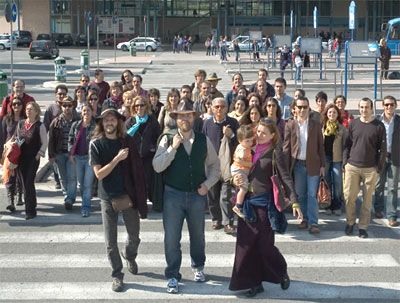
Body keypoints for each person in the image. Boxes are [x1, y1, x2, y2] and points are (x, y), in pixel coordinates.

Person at [152, 100, 220, 294]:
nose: (185, 119)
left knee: (198, 235)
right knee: (172, 238)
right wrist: (173, 148)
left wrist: (207, 185)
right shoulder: (167, 138)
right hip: (173, 195)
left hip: (196, 195)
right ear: (176, 118)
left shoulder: (203, 139)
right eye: (181, 115)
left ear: (194, 117)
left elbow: (216, 166)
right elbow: (157, 166)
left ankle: (198, 266)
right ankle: (173, 274)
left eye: (188, 115)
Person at [229, 118, 302, 297]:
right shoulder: (247, 148)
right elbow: (238, 170)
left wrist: (294, 201)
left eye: (263, 132)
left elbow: (285, 177)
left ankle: (280, 271)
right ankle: (253, 283)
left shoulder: (275, 153)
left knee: (264, 246)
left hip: (264, 205)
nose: (259, 135)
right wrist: (234, 180)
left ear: (272, 135)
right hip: (247, 203)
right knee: (246, 247)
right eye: (258, 131)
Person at [89, 108, 147, 292]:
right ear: (101, 123)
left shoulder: (126, 141)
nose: (109, 123)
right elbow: (99, 174)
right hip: (107, 198)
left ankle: (129, 255)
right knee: (110, 242)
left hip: (127, 195)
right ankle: (117, 275)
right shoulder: (95, 144)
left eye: (112, 119)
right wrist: (116, 159)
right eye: (106, 120)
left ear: (118, 122)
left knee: (134, 236)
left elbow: (137, 170)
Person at [343, 97, 386, 238]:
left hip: (370, 169)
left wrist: (378, 168)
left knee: (367, 201)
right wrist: (345, 163)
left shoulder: (379, 126)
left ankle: (363, 227)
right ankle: (350, 223)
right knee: (349, 197)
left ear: (372, 108)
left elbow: (382, 149)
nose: (364, 110)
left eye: (367, 107)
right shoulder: (353, 124)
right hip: (352, 167)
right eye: (361, 107)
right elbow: (347, 145)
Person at [283, 97, 325, 234]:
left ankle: (313, 223)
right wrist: (283, 164)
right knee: (301, 194)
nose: (302, 110)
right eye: (299, 107)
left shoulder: (315, 124)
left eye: (305, 107)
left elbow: (321, 147)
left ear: (309, 108)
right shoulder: (290, 125)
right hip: (298, 165)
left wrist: (323, 165)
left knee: (312, 194)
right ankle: (304, 219)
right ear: (294, 109)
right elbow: (286, 147)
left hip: (313, 164)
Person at [203, 97, 239, 234]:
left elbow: (240, 141)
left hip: (227, 165)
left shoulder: (233, 122)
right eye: (216, 107)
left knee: (226, 195)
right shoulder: (206, 123)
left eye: (222, 106)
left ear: (227, 108)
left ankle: (228, 222)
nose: (219, 109)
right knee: (212, 194)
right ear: (212, 108)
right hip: (211, 164)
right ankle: (215, 219)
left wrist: (232, 135)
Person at [126, 96, 161, 207]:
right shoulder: (130, 122)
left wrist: (153, 147)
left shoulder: (152, 120)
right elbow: (124, 138)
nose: (139, 107)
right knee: (136, 180)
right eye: (137, 105)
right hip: (134, 156)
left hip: (148, 156)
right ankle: (139, 203)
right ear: (134, 107)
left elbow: (158, 136)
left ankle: (146, 202)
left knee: (147, 180)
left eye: (142, 105)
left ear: (146, 106)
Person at [16, 102, 48, 220]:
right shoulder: (21, 123)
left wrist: (39, 155)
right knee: (24, 184)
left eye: (31, 109)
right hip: (21, 158)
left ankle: (30, 211)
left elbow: (45, 142)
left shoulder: (40, 125)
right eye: (27, 109)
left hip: (33, 159)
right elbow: (17, 138)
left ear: (36, 111)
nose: (28, 111)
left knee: (29, 183)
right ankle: (31, 205)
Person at [48, 97, 79, 210]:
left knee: (72, 177)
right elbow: (51, 139)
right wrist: (51, 155)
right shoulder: (55, 122)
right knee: (63, 177)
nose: (67, 108)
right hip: (59, 153)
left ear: (73, 106)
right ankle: (67, 196)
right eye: (64, 105)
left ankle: (70, 198)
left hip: (73, 154)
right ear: (61, 107)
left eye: (69, 105)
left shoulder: (78, 120)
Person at [374, 95, 399, 226]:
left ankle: (391, 215)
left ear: (396, 106)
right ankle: (378, 208)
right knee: (379, 185)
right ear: (383, 106)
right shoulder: (377, 121)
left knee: (393, 187)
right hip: (380, 158)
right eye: (386, 105)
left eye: (392, 105)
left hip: (395, 157)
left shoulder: (399, 120)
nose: (389, 107)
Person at [68, 104, 96, 217]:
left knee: (87, 184)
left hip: (90, 158)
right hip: (78, 158)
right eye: (84, 111)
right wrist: (71, 154)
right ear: (81, 113)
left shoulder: (96, 126)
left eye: (88, 110)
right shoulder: (76, 125)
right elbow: (70, 140)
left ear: (92, 112)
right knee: (81, 184)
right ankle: (85, 202)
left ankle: (86, 207)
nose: (86, 113)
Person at [321, 104, 347, 215]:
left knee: (337, 183)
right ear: (326, 114)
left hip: (337, 159)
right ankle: (327, 204)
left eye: (334, 112)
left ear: (338, 114)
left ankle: (337, 205)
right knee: (327, 182)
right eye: (330, 112)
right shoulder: (322, 127)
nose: (332, 114)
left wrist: (344, 163)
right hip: (325, 158)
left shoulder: (342, 128)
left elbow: (346, 146)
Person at [1, 96, 25, 211]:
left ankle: (20, 196)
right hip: (9, 152)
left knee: (20, 174)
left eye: (19, 104)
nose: (16, 106)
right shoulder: (6, 119)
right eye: (14, 104)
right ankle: (10, 201)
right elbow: (2, 136)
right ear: (11, 106)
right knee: (9, 175)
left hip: (22, 151)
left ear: (22, 106)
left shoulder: (25, 119)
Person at [231, 125, 254, 219]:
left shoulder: (246, 147)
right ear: (240, 141)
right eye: (247, 141)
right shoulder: (242, 148)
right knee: (243, 188)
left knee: (244, 187)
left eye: (251, 140)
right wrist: (244, 160)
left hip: (241, 169)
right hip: (239, 170)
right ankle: (238, 206)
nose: (250, 143)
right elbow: (239, 157)